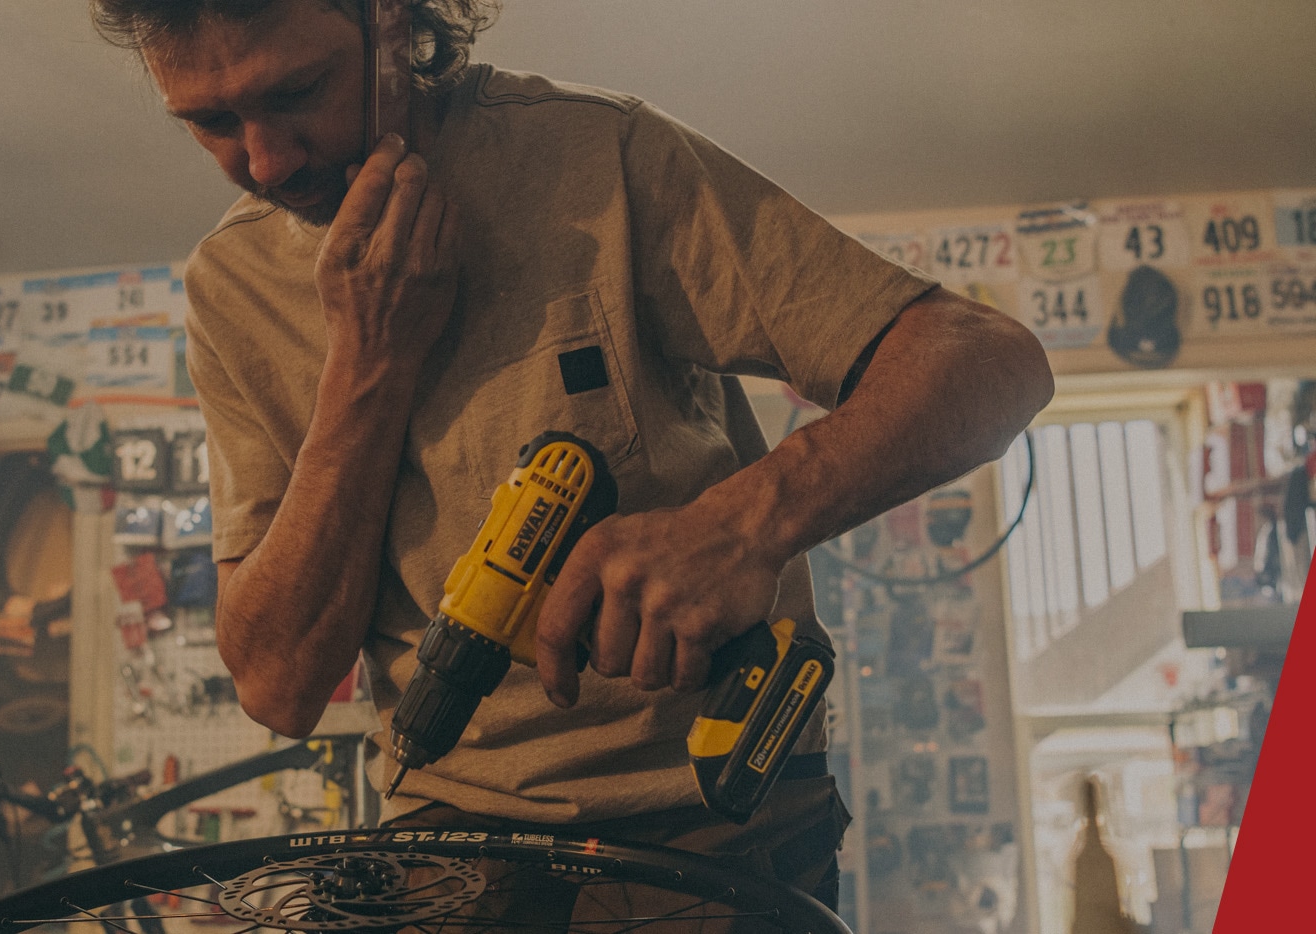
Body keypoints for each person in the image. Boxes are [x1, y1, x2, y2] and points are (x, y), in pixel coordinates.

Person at [91, 0, 1054, 915]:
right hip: (447, 843)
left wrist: (742, 526)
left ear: (389, 20)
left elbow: (990, 363)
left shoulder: (599, 158)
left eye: (297, 92)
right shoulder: (228, 286)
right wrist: (368, 361)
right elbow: (278, 685)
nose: (264, 159)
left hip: (718, 824)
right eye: (209, 120)